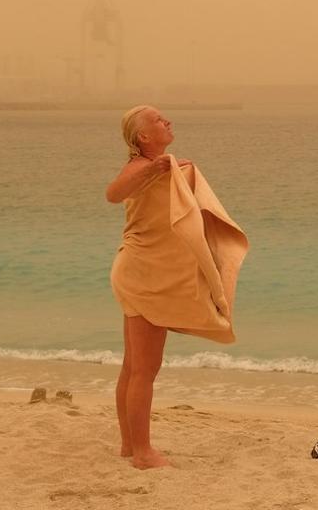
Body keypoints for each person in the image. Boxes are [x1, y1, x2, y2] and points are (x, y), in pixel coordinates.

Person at [106, 105, 249, 469]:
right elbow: (113, 192)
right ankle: (143, 452)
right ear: (143, 138)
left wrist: (171, 170)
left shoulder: (168, 168)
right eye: (157, 120)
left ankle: (128, 445)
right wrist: (155, 168)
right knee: (144, 370)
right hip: (144, 275)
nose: (166, 121)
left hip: (144, 272)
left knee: (132, 366)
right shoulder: (139, 168)